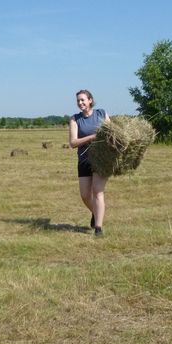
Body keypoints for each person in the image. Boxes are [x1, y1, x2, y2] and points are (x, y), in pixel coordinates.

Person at [69, 89, 109, 236]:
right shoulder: (75, 119)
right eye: (78, 100)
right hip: (84, 159)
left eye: (83, 100)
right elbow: (73, 143)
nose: (80, 103)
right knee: (85, 195)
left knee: (98, 191)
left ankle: (98, 228)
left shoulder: (102, 114)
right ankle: (96, 212)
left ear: (90, 100)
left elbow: (112, 133)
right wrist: (92, 137)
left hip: (101, 159)